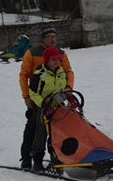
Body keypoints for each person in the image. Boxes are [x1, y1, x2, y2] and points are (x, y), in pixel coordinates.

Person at [19, 26, 74, 170]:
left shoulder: (60, 54)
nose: (53, 39)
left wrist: (68, 89)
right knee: (34, 129)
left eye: (54, 36)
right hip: (37, 98)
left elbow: (67, 72)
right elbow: (24, 75)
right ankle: (27, 158)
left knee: (57, 129)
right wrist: (26, 96)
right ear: (42, 39)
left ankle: (58, 156)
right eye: (49, 36)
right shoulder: (32, 53)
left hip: (56, 99)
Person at [27, 47, 69, 172]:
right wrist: (43, 103)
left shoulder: (61, 72)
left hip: (57, 108)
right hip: (43, 109)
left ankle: (57, 159)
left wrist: (67, 97)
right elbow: (32, 93)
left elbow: (62, 88)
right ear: (47, 60)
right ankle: (37, 161)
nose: (56, 62)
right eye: (53, 59)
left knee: (58, 135)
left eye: (58, 59)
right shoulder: (39, 74)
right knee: (41, 134)